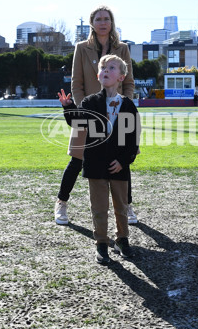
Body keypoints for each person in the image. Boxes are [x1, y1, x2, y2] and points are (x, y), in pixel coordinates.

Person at [54, 6, 137, 225]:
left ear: (112, 22)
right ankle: (61, 203)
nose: (103, 22)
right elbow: (77, 83)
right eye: (98, 19)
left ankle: (127, 206)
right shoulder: (82, 48)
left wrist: (122, 106)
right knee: (77, 159)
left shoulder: (123, 49)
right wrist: (86, 110)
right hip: (88, 113)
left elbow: (129, 84)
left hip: (117, 114)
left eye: (106, 19)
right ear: (92, 23)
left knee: (122, 162)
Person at [58, 55, 140, 265]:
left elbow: (133, 141)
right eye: (103, 67)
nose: (105, 70)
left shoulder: (128, 106)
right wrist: (68, 108)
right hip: (95, 165)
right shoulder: (90, 102)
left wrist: (123, 161)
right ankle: (101, 244)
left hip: (119, 167)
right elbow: (77, 122)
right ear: (98, 75)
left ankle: (122, 240)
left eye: (111, 68)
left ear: (121, 77)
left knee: (121, 207)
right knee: (99, 208)